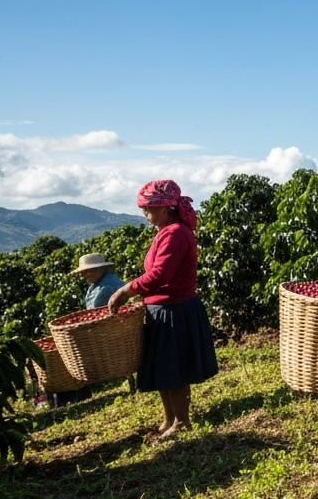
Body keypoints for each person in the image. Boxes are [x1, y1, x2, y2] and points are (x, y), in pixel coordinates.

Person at [107, 180, 219, 440]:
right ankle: (169, 418)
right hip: (162, 308)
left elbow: (160, 274)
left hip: (174, 310)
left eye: (149, 210)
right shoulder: (166, 230)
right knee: (164, 368)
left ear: (167, 208)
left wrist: (126, 290)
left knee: (175, 369)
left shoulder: (176, 232)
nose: (146, 216)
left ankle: (181, 421)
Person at [49, 253, 128, 405]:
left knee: (67, 354)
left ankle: (71, 397)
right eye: (83, 272)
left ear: (101, 269)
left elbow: (93, 318)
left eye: (88, 271)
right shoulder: (99, 284)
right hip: (105, 331)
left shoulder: (105, 289)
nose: (85, 275)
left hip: (106, 335)